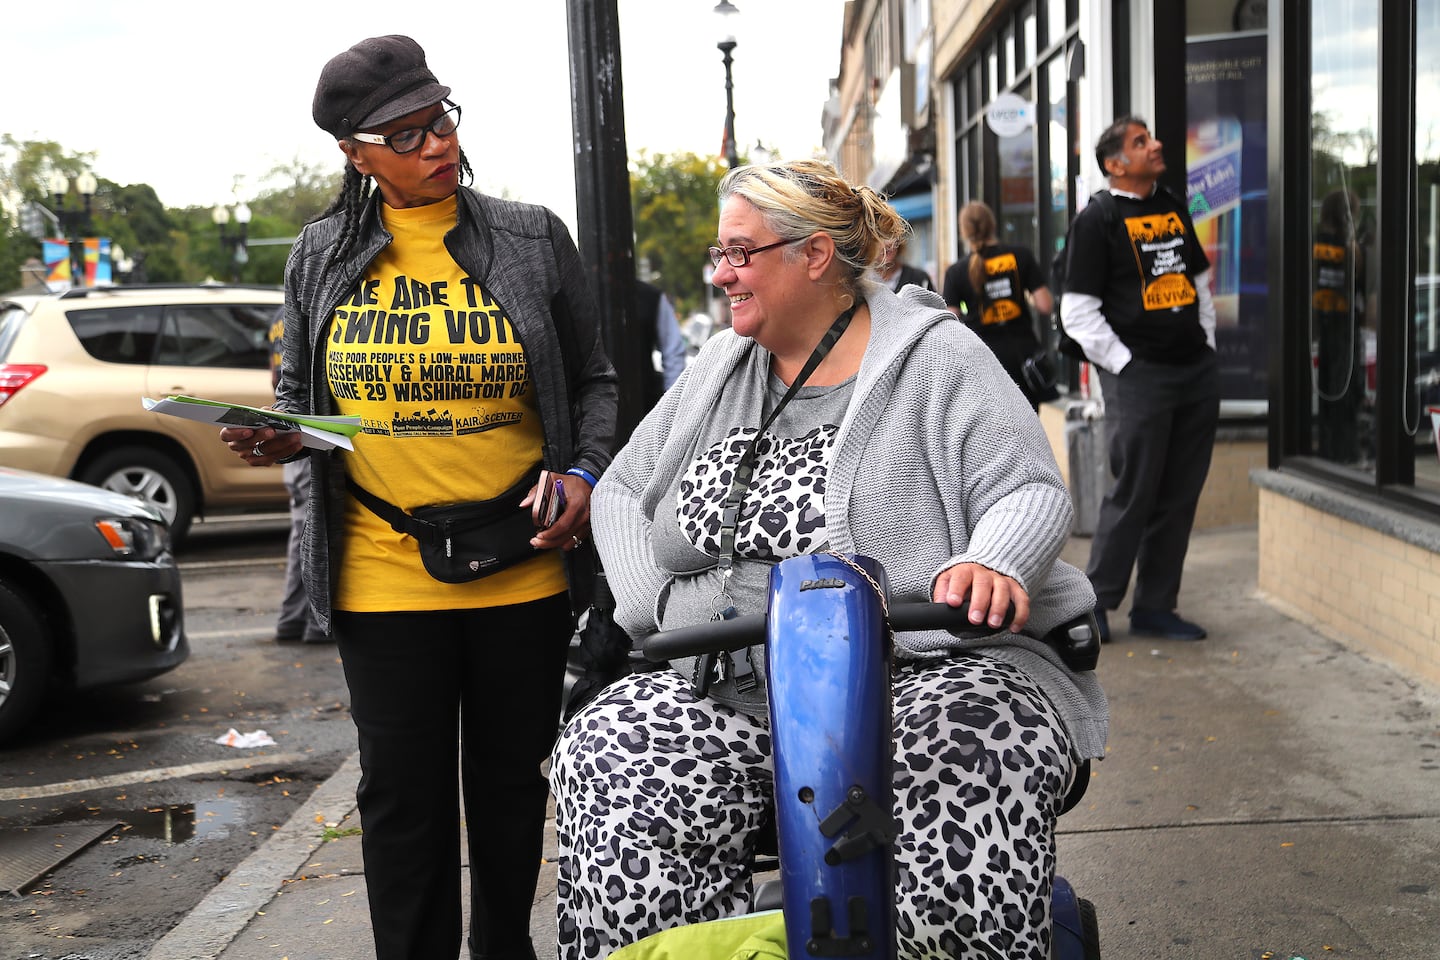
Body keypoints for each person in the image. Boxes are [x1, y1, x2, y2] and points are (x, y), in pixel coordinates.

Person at [550, 159, 1107, 960]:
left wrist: (995, 561)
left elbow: (1028, 488)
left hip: (922, 673)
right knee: (610, 754)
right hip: (735, 687)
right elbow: (621, 493)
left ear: (814, 256)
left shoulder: (936, 357)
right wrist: (654, 610)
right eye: (720, 252)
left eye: (740, 253)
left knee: (964, 753)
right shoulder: (718, 370)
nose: (720, 273)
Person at [218, 34, 617, 960]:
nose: (436, 143)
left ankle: (504, 948)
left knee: (511, 784)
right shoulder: (321, 255)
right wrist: (279, 430)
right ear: (354, 154)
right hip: (382, 567)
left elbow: (594, 379)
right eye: (405, 134)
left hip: (519, 561)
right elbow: (299, 397)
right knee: (402, 794)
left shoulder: (528, 235)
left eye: (440, 119)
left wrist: (586, 476)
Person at [1058, 115, 1220, 643]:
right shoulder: (1097, 219)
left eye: (1151, 136)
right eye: (1140, 142)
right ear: (1114, 164)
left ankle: (1156, 605)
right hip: (1139, 375)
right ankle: (1098, 603)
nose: (1156, 144)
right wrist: (1126, 365)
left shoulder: (1172, 204)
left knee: (1180, 491)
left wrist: (1206, 344)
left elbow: (1197, 280)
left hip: (1193, 370)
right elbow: (1077, 312)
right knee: (1134, 489)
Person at [943, 200, 1056, 409]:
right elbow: (1045, 305)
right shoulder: (1021, 256)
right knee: (1028, 426)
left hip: (983, 362)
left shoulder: (956, 272)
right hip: (1023, 357)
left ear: (964, 232)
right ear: (993, 225)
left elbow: (950, 322)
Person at [267, 310, 327, 643]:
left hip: (289, 423)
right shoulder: (311, 307)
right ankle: (314, 624)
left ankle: (292, 621)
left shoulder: (277, 317)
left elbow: (276, 378)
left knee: (299, 531)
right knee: (312, 531)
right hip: (308, 433)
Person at [1312, 188, 1365, 463]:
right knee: (1346, 390)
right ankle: (1347, 452)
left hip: (1324, 323)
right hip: (1344, 325)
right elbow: (1355, 286)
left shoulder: (1316, 243)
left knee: (1328, 391)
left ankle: (1328, 448)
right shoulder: (1348, 248)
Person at [635, 279, 687, 405]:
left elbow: (673, 353)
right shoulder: (583, 293)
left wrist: (671, 405)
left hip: (644, 403)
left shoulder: (650, 296)